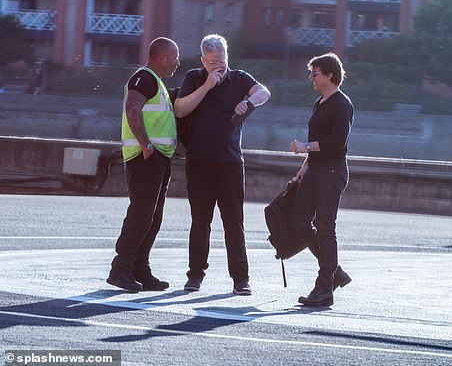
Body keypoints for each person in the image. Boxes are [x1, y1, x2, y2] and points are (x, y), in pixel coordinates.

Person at [175, 34, 270, 295]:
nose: (219, 66)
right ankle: (195, 275)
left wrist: (248, 102)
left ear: (228, 56)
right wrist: (206, 85)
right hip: (199, 161)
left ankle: (241, 279)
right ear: (204, 60)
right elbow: (180, 109)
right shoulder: (194, 78)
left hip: (230, 161)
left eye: (223, 60)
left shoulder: (239, 78)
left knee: (234, 221)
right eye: (213, 62)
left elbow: (264, 92)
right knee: (200, 221)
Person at [107, 37, 180, 292]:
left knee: (153, 217)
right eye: (174, 58)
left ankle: (140, 267)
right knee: (142, 214)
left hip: (158, 157)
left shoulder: (157, 83)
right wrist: (146, 145)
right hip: (146, 157)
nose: (177, 63)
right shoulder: (145, 78)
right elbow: (132, 108)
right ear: (161, 58)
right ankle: (121, 268)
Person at [289, 52, 354, 307]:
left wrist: (305, 147)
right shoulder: (320, 103)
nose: (311, 78)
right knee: (300, 221)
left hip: (332, 172)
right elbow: (318, 140)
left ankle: (324, 288)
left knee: (325, 226)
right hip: (315, 170)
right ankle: (334, 271)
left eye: (315, 73)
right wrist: (303, 168)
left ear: (329, 75)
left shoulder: (342, 104)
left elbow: (338, 142)